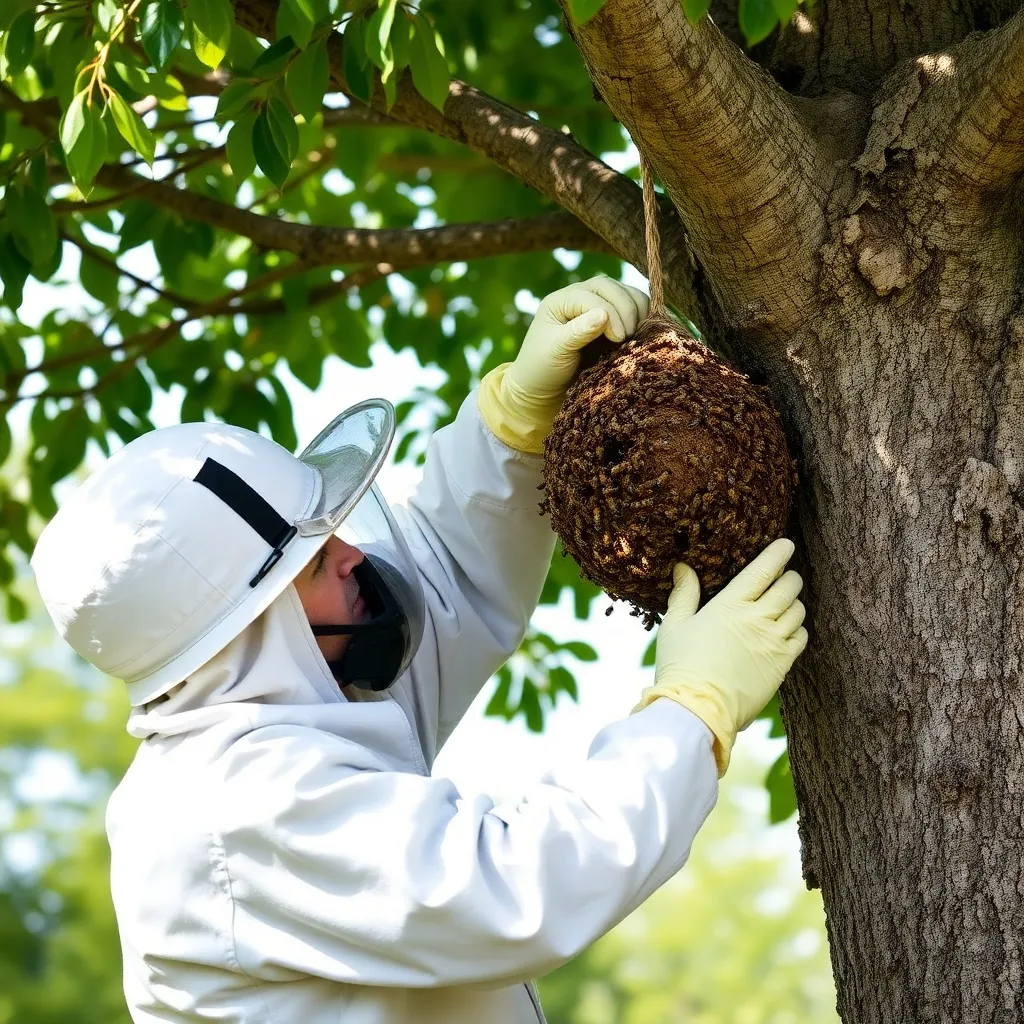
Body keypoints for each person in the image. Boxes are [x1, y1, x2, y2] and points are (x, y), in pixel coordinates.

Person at [31, 276, 807, 1024]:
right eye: (310, 565)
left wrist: (509, 424)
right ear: (244, 635)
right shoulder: (232, 811)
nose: (351, 557)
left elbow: (442, 578)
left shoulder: (295, 709)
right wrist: (688, 709)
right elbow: (508, 891)